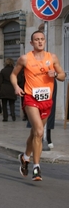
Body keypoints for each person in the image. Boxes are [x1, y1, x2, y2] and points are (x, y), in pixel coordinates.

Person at [11, 30, 65, 181]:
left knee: (35, 133)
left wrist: (55, 75)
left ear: (45, 41)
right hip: (31, 98)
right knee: (40, 132)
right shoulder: (25, 59)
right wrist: (16, 87)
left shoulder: (52, 57)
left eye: (42, 39)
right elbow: (13, 74)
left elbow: (62, 75)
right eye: (37, 40)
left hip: (46, 100)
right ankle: (36, 168)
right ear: (31, 43)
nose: (40, 41)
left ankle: (25, 156)